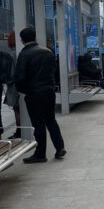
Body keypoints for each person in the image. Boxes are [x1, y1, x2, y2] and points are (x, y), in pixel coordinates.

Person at [14, 26, 66, 164]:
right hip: (49, 91)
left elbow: (19, 77)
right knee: (51, 120)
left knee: (38, 124)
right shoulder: (48, 51)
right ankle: (60, 147)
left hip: (34, 93)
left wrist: (25, 90)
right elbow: (54, 71)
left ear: (22, 40)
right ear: (35, 37)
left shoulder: (24, 54)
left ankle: (40, 154)